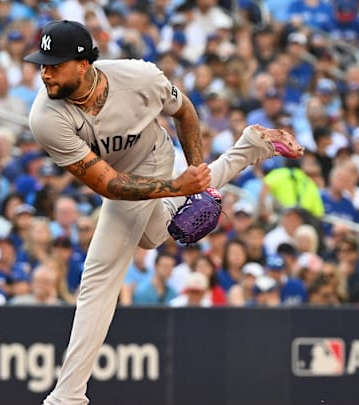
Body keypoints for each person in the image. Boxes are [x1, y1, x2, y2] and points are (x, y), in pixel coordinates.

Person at [24, 20, 304, 405]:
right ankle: (250, 148)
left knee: (99, 275)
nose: (45, 71)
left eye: (54, 64)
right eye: (42, 63)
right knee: (154, 234)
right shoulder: (45, 117)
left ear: (83, 64)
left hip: (153, 156)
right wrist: (183, 188)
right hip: (119, 178)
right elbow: (109, 185)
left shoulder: (139, 77)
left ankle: (67, 397)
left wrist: (197, 175)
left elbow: (185, 111)